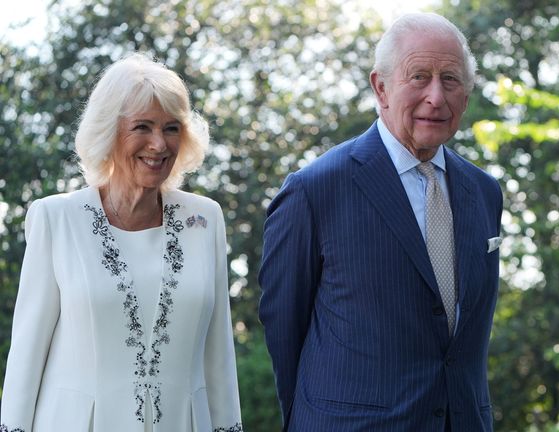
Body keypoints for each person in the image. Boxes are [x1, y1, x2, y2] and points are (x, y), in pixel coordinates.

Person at [259, 12, 503, 431]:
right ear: (381, 87)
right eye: (419, 77)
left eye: (450, 79)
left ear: (467, 93)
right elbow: (284, 331)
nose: (436, 96)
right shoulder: (314, 190)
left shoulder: (484, 192)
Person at [0, 53, 242, 432]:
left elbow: (219, 356)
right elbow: (26, 356)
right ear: (109, 132)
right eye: (142, 127)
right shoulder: (55, 218)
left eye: (172, 128)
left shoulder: (205, 219)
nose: (159, 144)